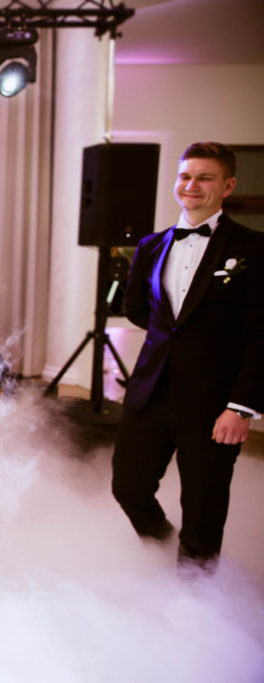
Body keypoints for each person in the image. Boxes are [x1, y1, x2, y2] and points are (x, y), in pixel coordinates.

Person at [112, 141, 264, 572]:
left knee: (203, 507)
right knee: (129, 488)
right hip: (151, 393)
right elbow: (138, 309)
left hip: (214, 402)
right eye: (185, 176)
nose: (191, 185)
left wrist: (241, 407)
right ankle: (164, 551)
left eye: (205, 177)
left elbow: (261, 335)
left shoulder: (254, 248)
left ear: (227, 186)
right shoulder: (151, 245)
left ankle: (195, 595)